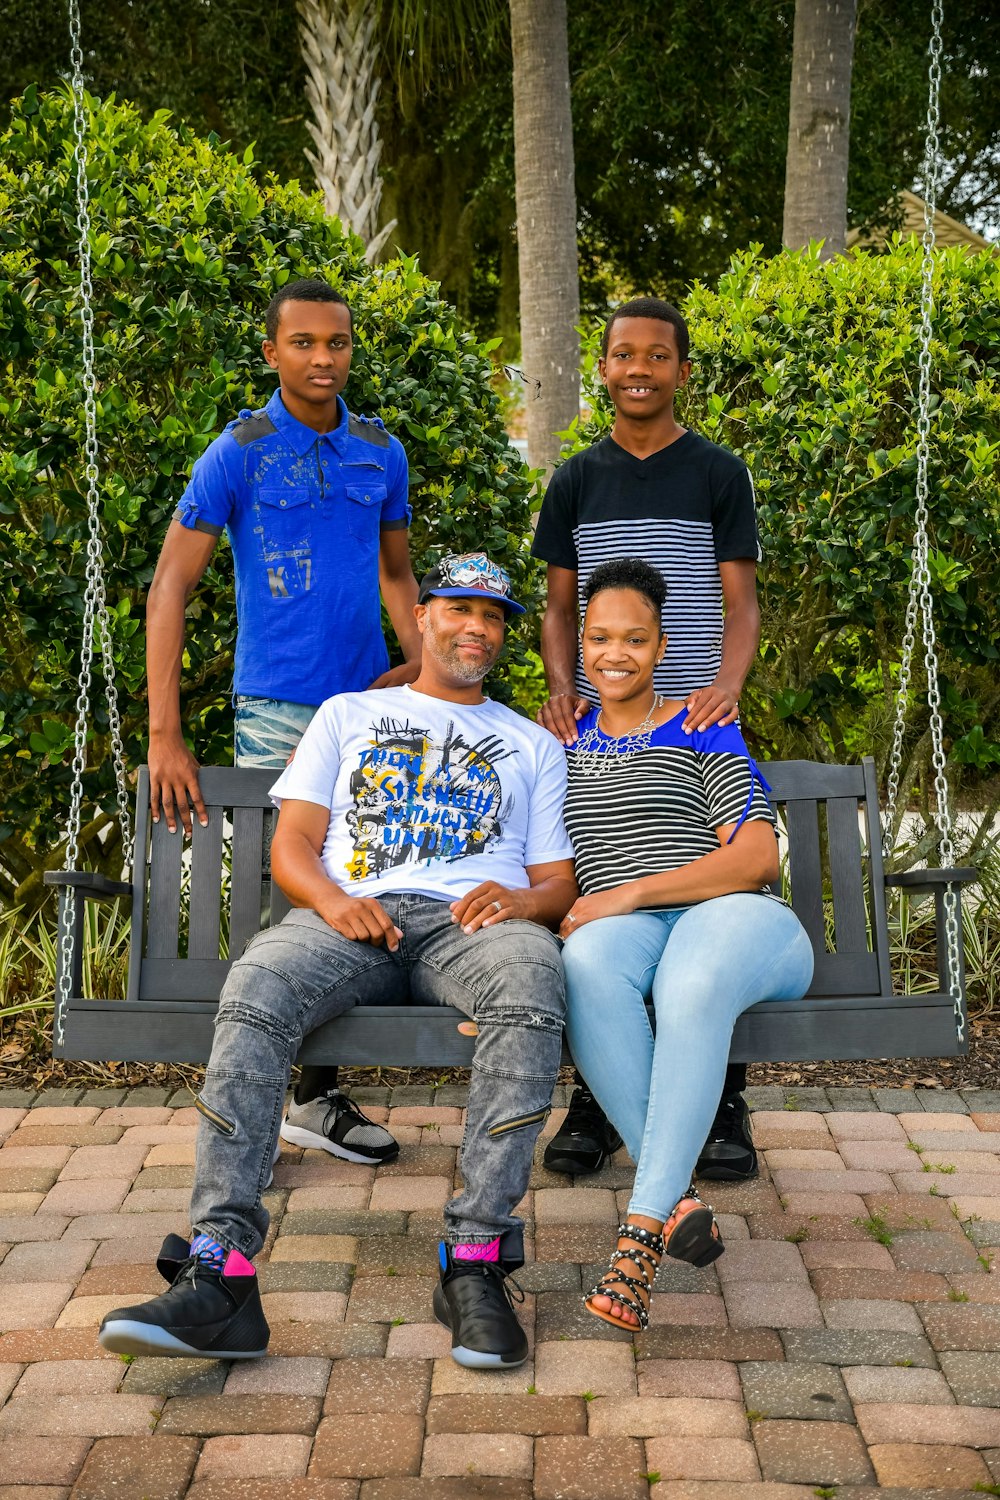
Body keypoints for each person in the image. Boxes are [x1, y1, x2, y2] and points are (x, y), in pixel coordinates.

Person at [99, 552, 576, 1370]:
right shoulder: (347, 714)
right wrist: (331, 899)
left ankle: (477, 1262)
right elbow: (290, 845)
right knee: (254, 987)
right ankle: (222, 1273)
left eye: (494, 616)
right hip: (348, 915)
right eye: (460, 609)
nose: (477, 626)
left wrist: (524, 906)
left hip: (471, 922)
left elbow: (556, 880)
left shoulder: (531, 743)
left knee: (533, 987)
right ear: (422, 617)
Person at [146, 277, 422, 1165]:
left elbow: (397, 576)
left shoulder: (381, 451)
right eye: (302, 343)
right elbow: (170, 588)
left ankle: (317, 1095)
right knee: (285, 893)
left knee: (363, 881)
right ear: (272, 352)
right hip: (275, 708)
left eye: (336, 343)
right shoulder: (239, 452)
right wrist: (165, 731)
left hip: (369, 709)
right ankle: (274, 1102)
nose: (322, 359)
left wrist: (419, 665)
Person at [532, 295, 762, 1182]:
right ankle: (598, 1099)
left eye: (656, 356)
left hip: (696, 718)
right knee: (603, 875)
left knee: (711, 905)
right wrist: (562, 690)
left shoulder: (716, 471)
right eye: (622, 354)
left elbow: (740, 605)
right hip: (607, 716)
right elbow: (559, 607)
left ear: (681, 371)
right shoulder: (576, 480)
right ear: (602, 368)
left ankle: (723, 1102)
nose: (638, 369)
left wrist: (726, 686)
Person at [556, 558, 814, 1331]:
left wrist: (631, 891)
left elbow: (755, 856)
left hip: (735, 920)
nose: (615, 653)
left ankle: (639, 1235)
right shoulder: (562, 741)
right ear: (580, 644)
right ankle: (676, 1202)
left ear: (662, 646)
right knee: (584, 966)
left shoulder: (702, 724)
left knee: (689, 982)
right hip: (628, 934)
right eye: (599, 637)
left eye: (635, 638)